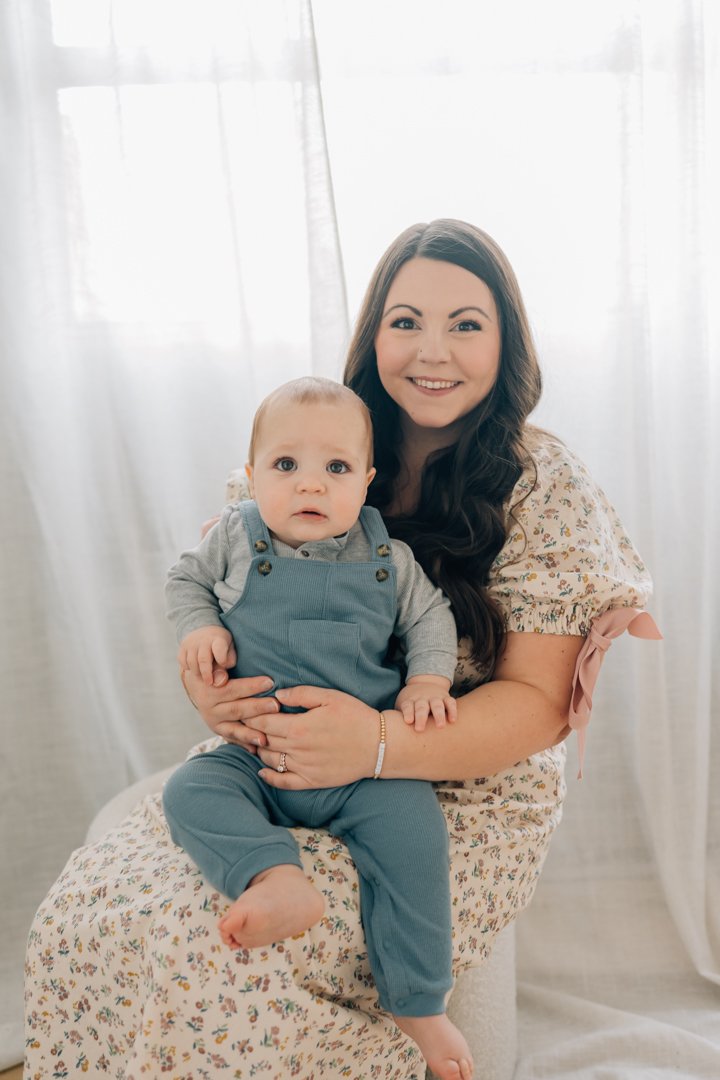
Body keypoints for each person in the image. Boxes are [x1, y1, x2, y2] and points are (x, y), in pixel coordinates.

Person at [24, 219, 657, 1080]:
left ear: (506, 342)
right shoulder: (321, 443)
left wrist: (379, 743)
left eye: (466, 323)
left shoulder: (543, 483)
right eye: (406, 321)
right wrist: (214, 691)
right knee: (100, 914)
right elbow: (214, 592)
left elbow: (539, 705)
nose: (432, 350)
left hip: (456, 781)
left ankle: (409, 1018)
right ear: (374, 334)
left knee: (213, 961)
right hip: (282, 747)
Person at [162, 376, 473, 1079]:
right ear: (249, 478)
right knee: (189, 790)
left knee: (416, 833)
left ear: (366, 482)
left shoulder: (388, 562)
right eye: (285, 466)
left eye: (335, 469)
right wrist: (200, 626)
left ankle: (420, 1000)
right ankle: (275, 877)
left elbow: (430, 620)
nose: (310, 485)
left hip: (361, 772)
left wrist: (427, 680)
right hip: (258, 757)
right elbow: (184, 581)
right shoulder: (236, 539)